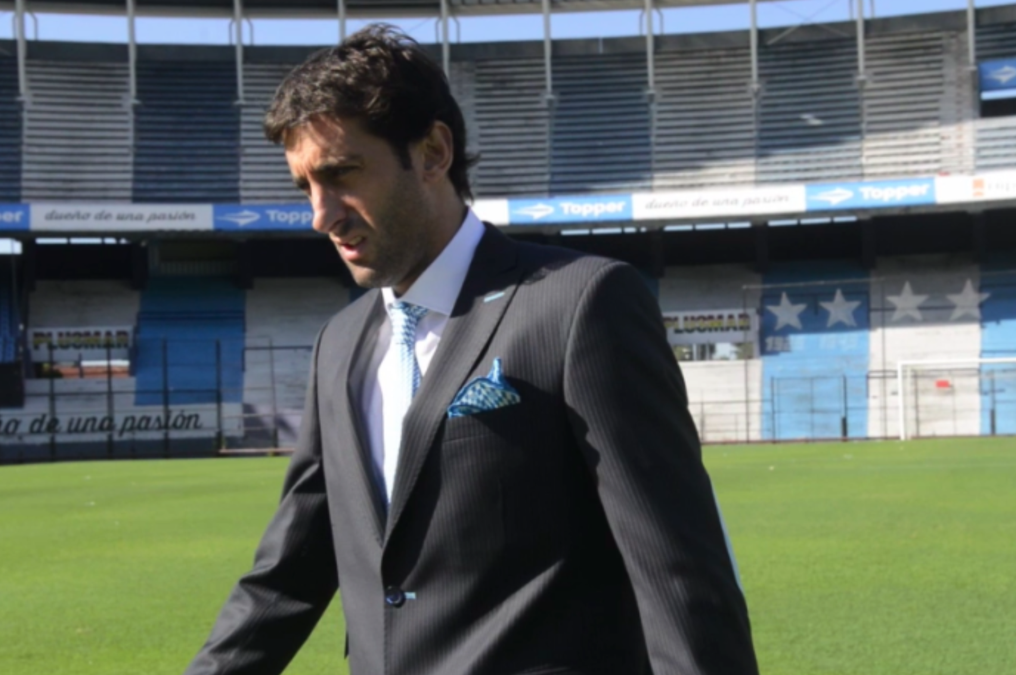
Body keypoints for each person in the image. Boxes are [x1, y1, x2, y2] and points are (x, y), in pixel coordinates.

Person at [185, 24, 760, 675]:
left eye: (341, 173)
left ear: (432, 152)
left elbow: (678, 574)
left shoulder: (580, 304)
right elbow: (290, 571)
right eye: (304, 187)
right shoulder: (338, 345)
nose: (321, 215)